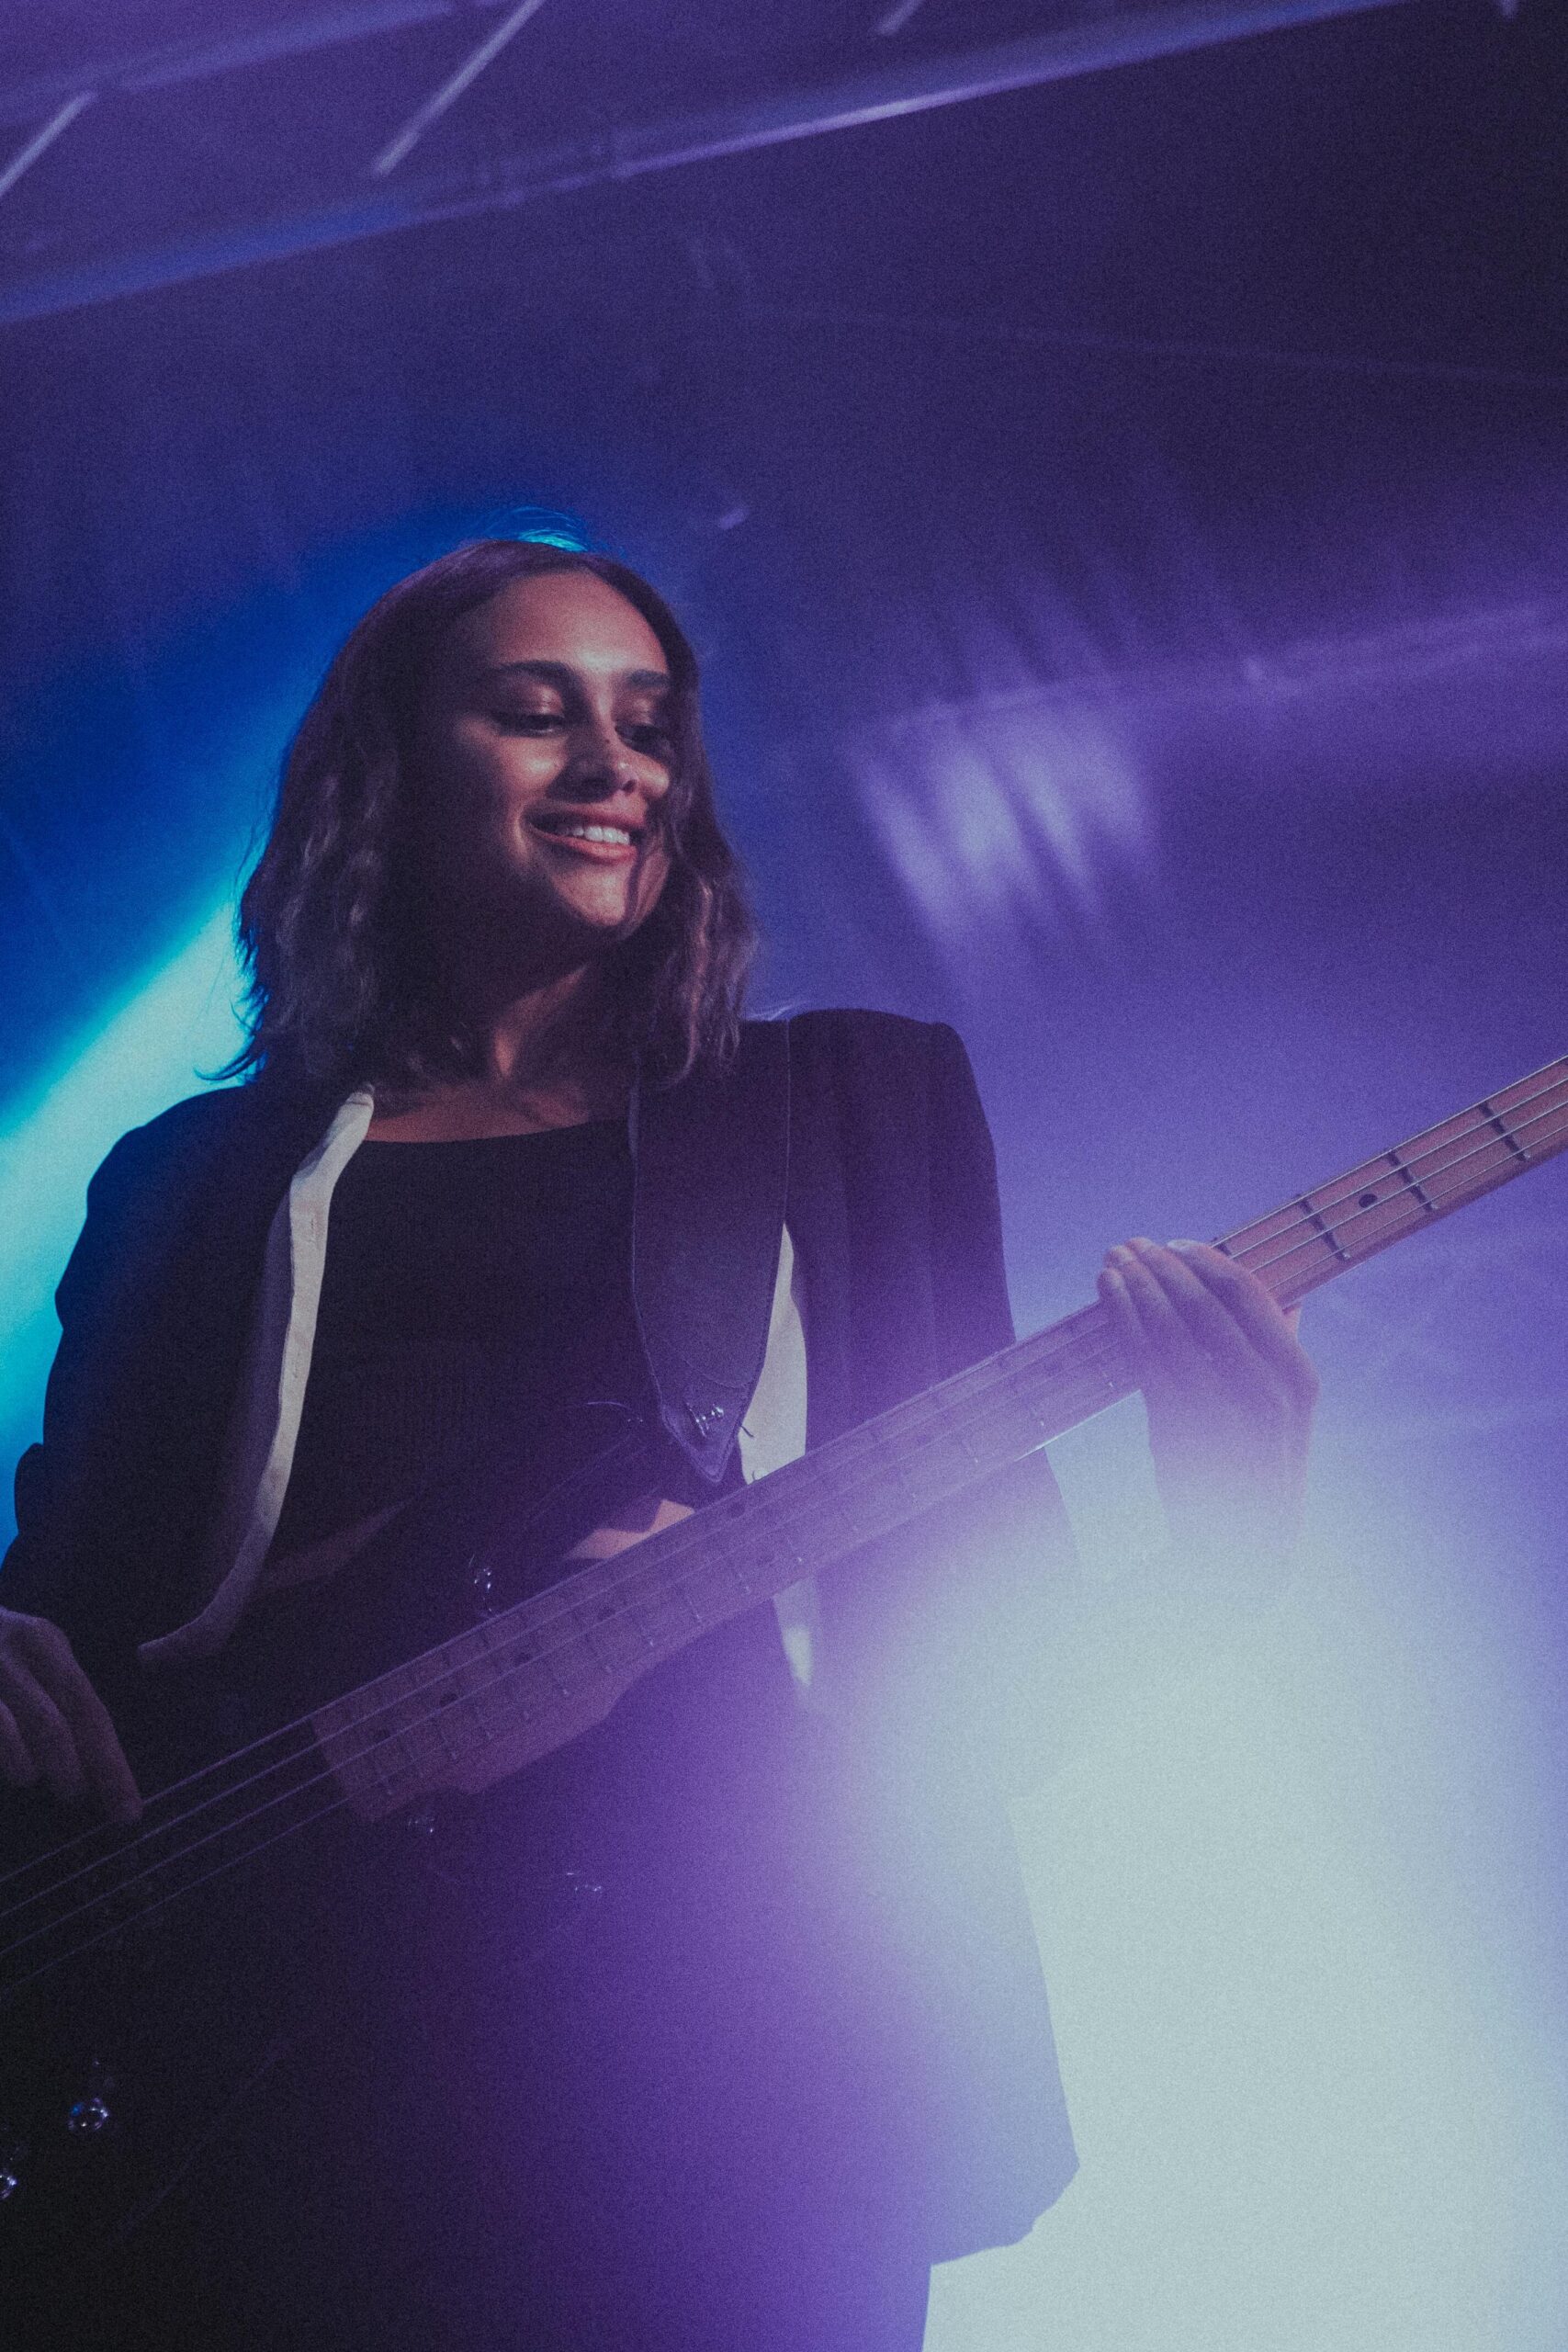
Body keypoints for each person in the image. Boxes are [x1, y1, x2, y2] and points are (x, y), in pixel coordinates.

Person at [0, 539, 1317, 2349]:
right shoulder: (191, 1179)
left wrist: (1220, 1540)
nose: (614, 763)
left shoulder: (851, 1104)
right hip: (263, 2056)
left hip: (731, 2056)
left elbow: (964, 1672)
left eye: (647, 724)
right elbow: (63, 1630)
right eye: (535, 711)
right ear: (387, 772)